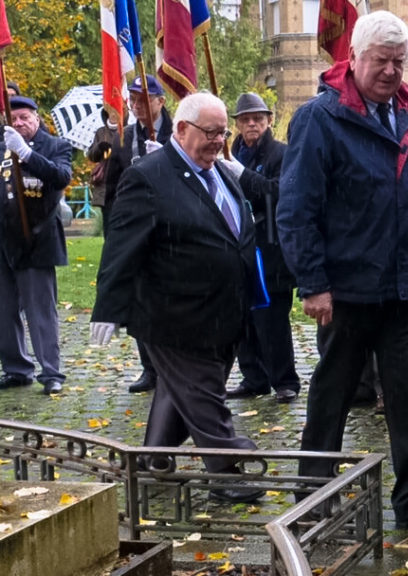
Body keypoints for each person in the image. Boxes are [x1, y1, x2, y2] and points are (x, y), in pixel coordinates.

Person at [277, 10, 408, 538]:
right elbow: (297, 207)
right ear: (354, 57)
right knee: (332, 398)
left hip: (399, 290)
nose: (392, 71)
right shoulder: (319, 119)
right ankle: (314, 496)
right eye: (382, 61)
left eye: (400, 62)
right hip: (345, 291)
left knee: (407, 398)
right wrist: (313, 282)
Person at [89, 92, 263, 504]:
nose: (219, 141)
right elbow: (121, 245)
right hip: (174, 315)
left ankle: (152, 460)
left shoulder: (219, 170)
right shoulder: (147, 176)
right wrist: (108, 307)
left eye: (223, 132)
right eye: (210, 132)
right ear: (181, 129)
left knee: (181, 390)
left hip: (224, 313)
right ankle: (229, 472)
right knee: (203, 395)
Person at [220, 93, 301, 404]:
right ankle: (254, 377)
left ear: (268, 121)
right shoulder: (228, 152)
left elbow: (279, 192)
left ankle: (285, 380)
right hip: (239, 244)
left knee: (273, 319)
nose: (251, 124)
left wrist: (243, 174)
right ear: (237, 124)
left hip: (271, 246)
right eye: (245, 119)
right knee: (244, 318)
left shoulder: (283, 153)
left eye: (258, 118)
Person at [99, 75, 173, 394]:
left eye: (145, 98)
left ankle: (172, 364)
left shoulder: (178, 132)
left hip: (171, 230)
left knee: (169, 301)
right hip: (136, 233)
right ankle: (149, 368)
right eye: (134, 99)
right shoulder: (124, 137)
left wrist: (166, 155)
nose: (139, 105)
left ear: (161, 101)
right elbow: (112, 187)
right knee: (141, 300)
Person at [0, 95, 72, 395]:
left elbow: (60, 177)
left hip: (38, 238)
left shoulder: (56, 146)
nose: (18, 123)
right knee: (4, 310)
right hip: (4, 239)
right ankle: (17, 368)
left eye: (24, 118)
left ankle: (52, 372)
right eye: (13, 118)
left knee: (40, 311)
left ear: (36, 119)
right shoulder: (2, 147)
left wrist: (26, 153)